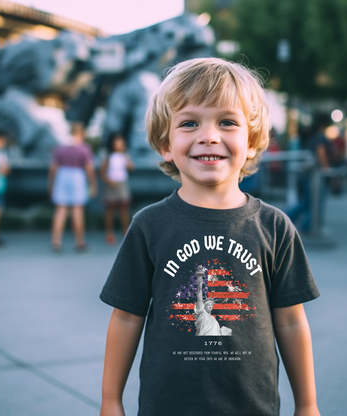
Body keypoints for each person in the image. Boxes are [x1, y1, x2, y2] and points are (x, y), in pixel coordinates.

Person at [99, 58, 321, 416]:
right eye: (189, 123)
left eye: (227, 122)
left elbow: (291, 320)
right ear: (165, 144)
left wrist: (307, 404)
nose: (209, 135)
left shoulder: (275, 227)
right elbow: (126, 317)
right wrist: (111, 401)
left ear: (251, 142)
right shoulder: (149, 225)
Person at [48, 123, 97, 251]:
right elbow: (89, 168)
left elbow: (53, 168)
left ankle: (56, 241)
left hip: (62, 176)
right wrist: (93, 184)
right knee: (77, 210)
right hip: (77, 176)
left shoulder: (60, 148)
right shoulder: (84, 148)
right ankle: (79, 242)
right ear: (82, 133)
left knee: (61, 210)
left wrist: (51, 184)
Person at [285, 113, 332, 233]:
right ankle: (308, 226)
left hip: (306, 175)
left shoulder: (312, 136)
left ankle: (285, 221)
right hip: (314, 176)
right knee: (314, 202)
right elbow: (321, 152)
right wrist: (327, 170)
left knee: (306, 202)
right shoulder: (320, 138)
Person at [100, 133, 135, 245]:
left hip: (122, 183)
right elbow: (102, 172)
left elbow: (131, 167)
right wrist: (109, 180)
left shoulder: (125, 155)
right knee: (110, 210)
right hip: (112, 184)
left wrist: (125, 157)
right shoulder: (108, 156)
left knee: (123, 208)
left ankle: (125, 230)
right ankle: (109, 232)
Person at [194, 265, 232, 336]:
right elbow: (199, 300)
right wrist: (200, 286)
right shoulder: (202, 314)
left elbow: (218, 334)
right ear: (203, 307)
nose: (211, 306)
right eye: (208, 305)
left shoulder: (214, 320)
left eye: (211, 305)